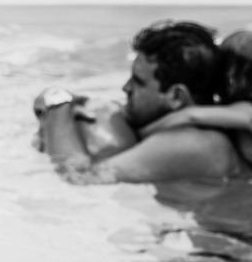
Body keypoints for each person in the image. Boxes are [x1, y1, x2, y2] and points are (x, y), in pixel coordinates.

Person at [35, 20, 248, 184]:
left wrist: (57, 105)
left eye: (138, 82)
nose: (125, 88)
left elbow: (80, 177)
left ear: (176, 96)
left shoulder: (192, 143)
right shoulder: (198, 125)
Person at [140, 30, 252, 166]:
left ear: (230, 76)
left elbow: (190, 115)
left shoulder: (246, 109)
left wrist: (141, 134)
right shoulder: (231, 110)